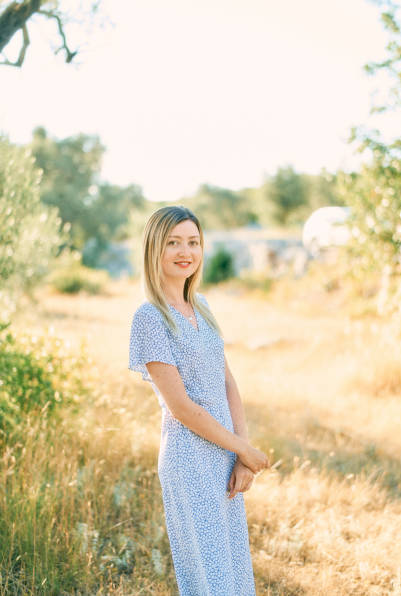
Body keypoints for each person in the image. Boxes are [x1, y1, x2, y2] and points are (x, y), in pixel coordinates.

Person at [128, 205, 270, 595]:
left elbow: (226, 381)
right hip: (188, 460)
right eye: (173, 242)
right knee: (209, 578)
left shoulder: (202, 307)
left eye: (193, 241)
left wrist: (241, 455)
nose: (184, 251)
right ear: (154, 248)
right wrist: (242, 447)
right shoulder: (150, 318)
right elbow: (181, 407)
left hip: (224, 452)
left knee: (233, 567)